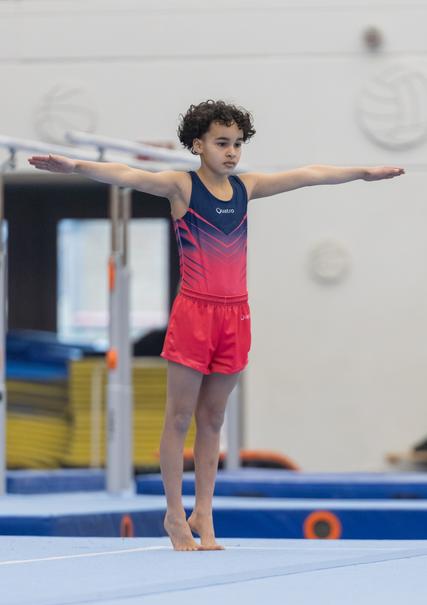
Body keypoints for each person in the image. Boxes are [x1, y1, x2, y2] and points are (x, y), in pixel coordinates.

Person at [28, 99, 404, 551]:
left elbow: (309, 173)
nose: (231, 152)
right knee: (180, 416)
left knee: (213, 419)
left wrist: (362, 172)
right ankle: (173, 514)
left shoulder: (248, 187)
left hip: (235, 315)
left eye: (237, 144)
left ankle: (203, 510)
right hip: (195, 313)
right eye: (221, 143)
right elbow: (127, 175)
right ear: (196, 145)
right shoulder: (180, 187)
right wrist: (73, 166)